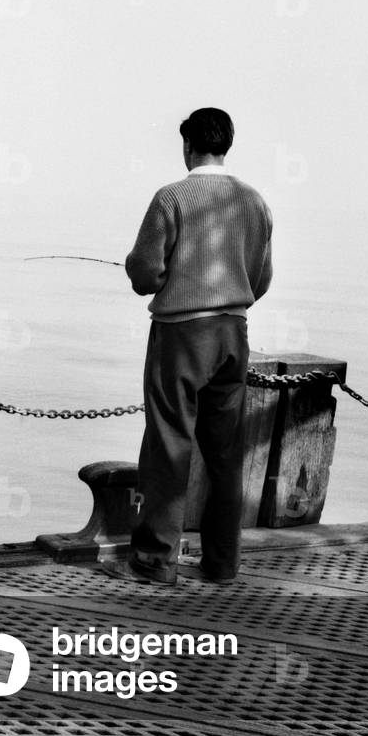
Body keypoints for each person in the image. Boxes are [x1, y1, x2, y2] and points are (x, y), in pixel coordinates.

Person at [103, 108, 272, 587]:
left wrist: (150, 272)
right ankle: (222, 563)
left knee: (168, 444)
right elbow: (261, 278)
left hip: (181, 335)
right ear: (227, 145)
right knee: (225, 454)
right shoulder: (254, 201)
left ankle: (157, 560)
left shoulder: (171, 198)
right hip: (233, 334)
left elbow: (144, 275)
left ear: (187, 145)